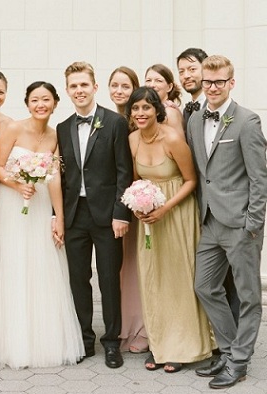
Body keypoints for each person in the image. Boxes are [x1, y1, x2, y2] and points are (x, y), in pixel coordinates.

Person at [0, 81, 84, 368]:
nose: (40, 105)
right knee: (11, 267)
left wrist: (58, 217)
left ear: (55, 103)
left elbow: (55, 177)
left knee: (42, 267)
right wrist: (17, 184)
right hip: (12, 205)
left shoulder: (55, 134)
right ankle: (9, 342)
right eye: (35, 100)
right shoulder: (13, 129)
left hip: (40, 205)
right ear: (27, 103)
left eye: (46, 100)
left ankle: (42, 341)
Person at [188, 55, 267, 389]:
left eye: (219, 81)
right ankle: (231, 349)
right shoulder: (194, 120)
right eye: (207, 81)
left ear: (231, 82)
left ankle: (238, 362)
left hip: (240, 224)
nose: (213, 87)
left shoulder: (247, 121)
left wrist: (253, 223)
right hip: (209, 221)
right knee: (204, 286)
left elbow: (260, 178)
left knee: (249, 296)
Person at [126, 86, 214, 373]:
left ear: (157, 110)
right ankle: (160, 343)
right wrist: (140, 206)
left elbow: (191, 181)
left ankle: (183, 347)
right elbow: (137, 180)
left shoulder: (173, 138)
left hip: (176, 214)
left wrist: (165, 208)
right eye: (136, 108)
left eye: (146, 108)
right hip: (150, 218)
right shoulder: (132, 140)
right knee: (153, 279)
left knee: (178, 278)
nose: (141, 113)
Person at [56, 61, 133, 369]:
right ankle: (84, 339)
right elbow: (59, 179)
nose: (79, 90)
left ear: (95, 87)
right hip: (75, 215)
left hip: (107, 216)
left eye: (84, 85)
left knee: (109, 280)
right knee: (78, 279)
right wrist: (57, 217)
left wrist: (121, 213)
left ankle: (112, 343)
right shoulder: (62, 128)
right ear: (67, 91)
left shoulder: (114, 123)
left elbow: (123, 171)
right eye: (73, 86)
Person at [177, 48, 239, 324]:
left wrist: (252, 219)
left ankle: (234, 349)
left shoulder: (231, 113)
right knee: (207, 282)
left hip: (229, 212)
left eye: (192, 68)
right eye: (181, 70)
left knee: (230, 282)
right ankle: (218, 341)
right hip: (200, 208)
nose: (186, 75)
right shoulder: (188, 113)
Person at [108, 66, 148, 354]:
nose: (119, 90)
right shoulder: (108, 120)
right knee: (119, 269)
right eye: (115, 85)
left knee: (137, 267)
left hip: (135, 203)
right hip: (114, 204)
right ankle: (122, 327)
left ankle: (141, 328)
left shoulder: (138, 120)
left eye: (125, 85)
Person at [145, 64, 185, 136]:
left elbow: (178, 145)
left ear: (169, 87)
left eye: (158, 81)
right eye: (148, 80)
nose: (152, 85)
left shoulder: (169, 113)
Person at [176, 48, 208, 134]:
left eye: (192, 69)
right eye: (181, 72)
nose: (186, 76)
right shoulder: (186, 110)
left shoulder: (215, 106)